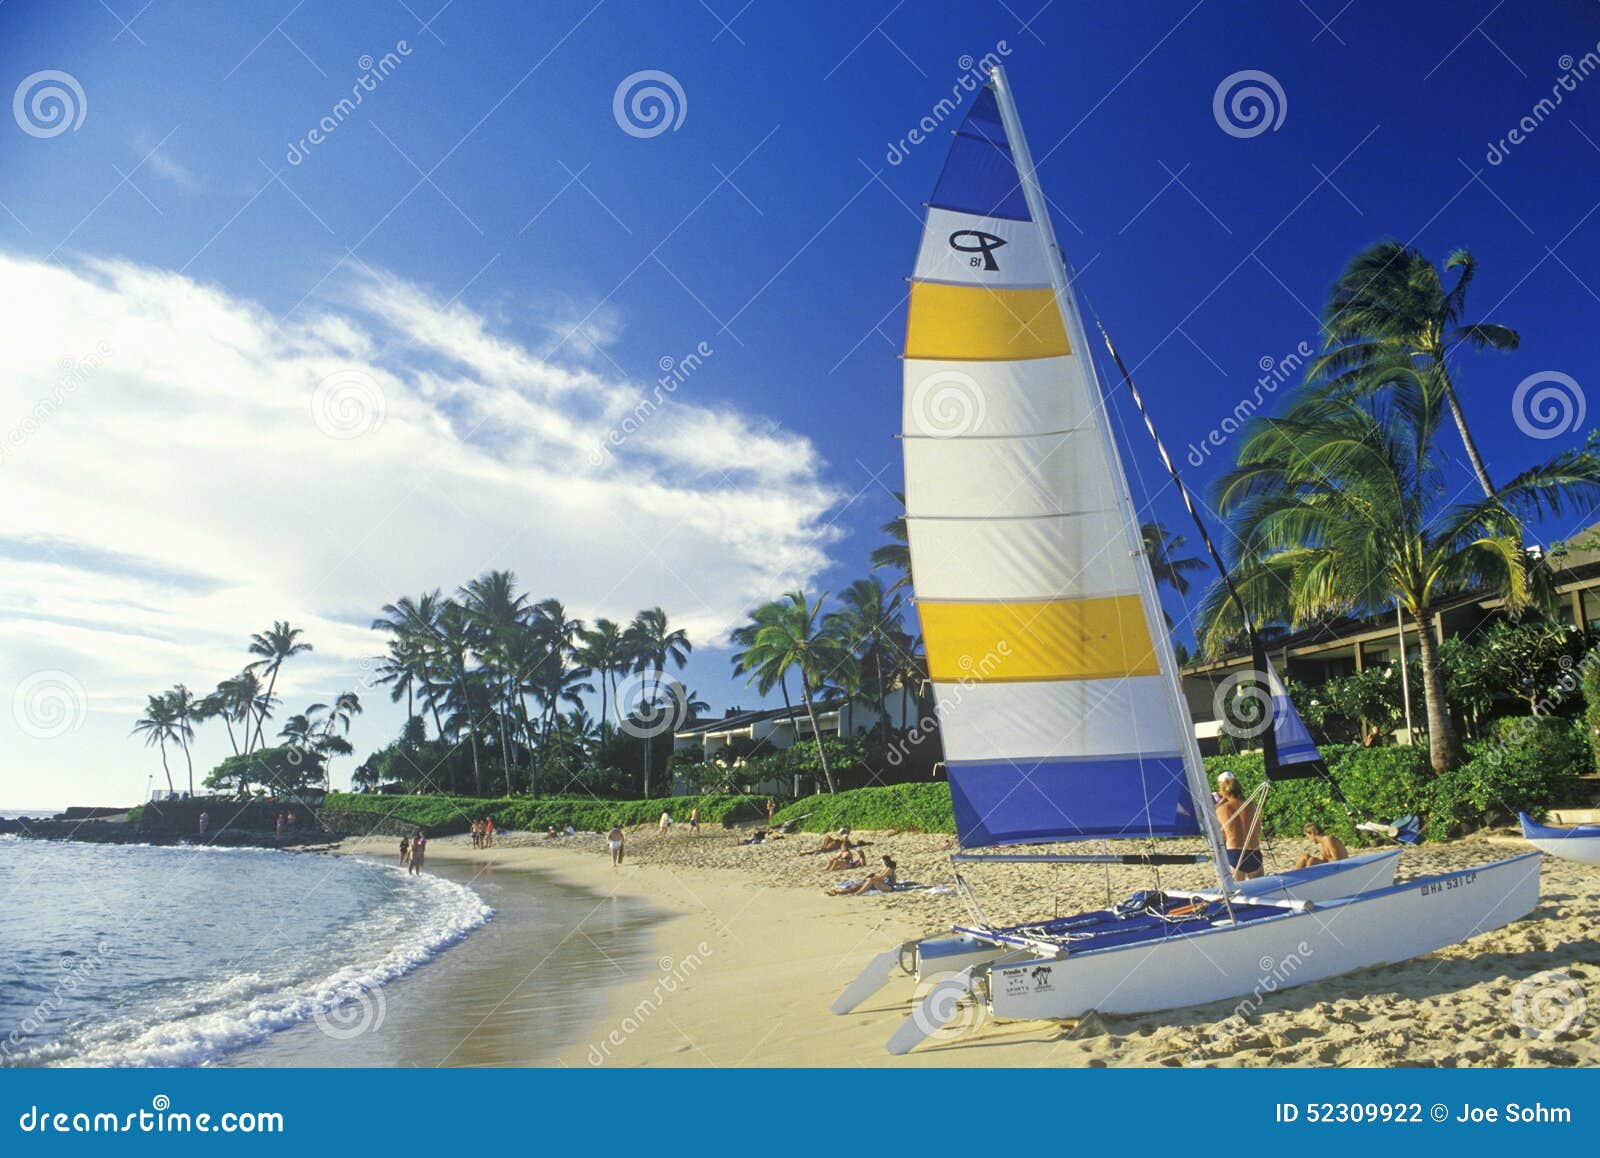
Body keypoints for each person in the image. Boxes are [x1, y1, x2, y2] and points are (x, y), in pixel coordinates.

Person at [1215, 772, 1264, 880]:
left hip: (1234, 853)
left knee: (1236, 889)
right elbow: (1258, 829)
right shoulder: (1252, 805)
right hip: (1254, 852)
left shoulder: (1221, 809)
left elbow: (1221, 835)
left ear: (1222, 790)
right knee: (1259, 888)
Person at [832, 855, 898, 895]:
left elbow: (881, 877)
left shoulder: (889, 869)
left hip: (888, 888)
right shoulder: (885, 869)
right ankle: (840, 892)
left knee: (870, 880)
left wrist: (872, 878)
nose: (882, 863)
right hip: (883, 885)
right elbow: (893, 882)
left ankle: (858, 893)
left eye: (882, 862)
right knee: (859, 885)